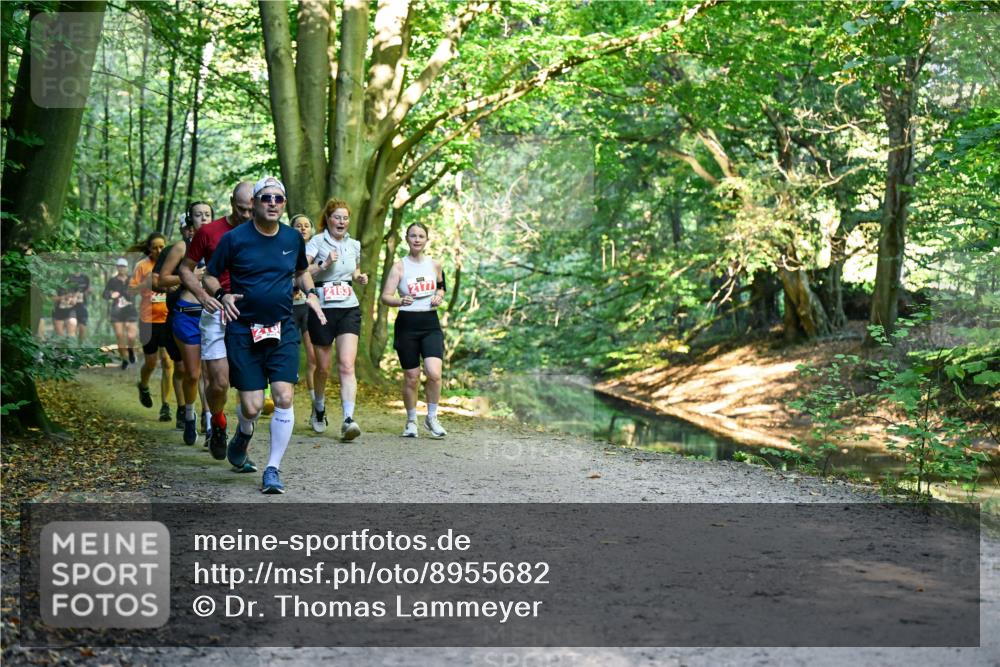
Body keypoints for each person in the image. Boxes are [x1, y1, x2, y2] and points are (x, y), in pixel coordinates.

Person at [203, 176, 325, 494]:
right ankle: (244, 433)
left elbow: (301, 272)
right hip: (243, 329)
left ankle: (272, 469)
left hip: (282, 327)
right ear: (255, 203)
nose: (273, 204)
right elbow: (210, 276)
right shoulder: (235, 239)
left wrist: (311, 294)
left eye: (278, 199)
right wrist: (222, 296)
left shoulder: (292, 238)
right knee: (253, 406)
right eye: (266, 198)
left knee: (284, 397)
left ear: (284, 205)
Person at [180, 182, 254, 459]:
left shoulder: (264, 231)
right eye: (241, 209)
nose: (246, 215)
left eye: (251, 210)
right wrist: (202, 295)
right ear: (231, 202)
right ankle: (218, 422)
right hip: (217, 310)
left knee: (249, 383)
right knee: (219, 383)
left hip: (250, 312)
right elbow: (186, 269)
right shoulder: (209, 232)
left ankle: (243, 438)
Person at [304, 201, 369, 440]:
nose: (342, 222)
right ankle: (319, 407)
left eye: (345, 218)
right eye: (337, 217)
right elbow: (302, 272)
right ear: (328, 219)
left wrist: (359, 277)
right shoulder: (316, 242)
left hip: (348, 307)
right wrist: (324, 264)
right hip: (322, 308)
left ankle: (348, 419)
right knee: (323, 368)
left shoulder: (354, 244)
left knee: (347, 365)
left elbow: (354, 271)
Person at [154, 202, 214, 446]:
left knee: (210, 374)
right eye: (198, 215)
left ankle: (210, 424)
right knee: (192, 373)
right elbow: (161, 280)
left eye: (207, 214)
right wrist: (190, 276)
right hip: (186, 314)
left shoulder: (221, 244)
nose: (203, 218)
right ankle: (189, 414)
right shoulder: (181, 247)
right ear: (191, 220)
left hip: (212, 315)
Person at [380, 222, 448, 438]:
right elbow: (385, 297)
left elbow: (442, 286)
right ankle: (411, 421)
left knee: (434, 373)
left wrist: (439, 296)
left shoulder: (434, 264)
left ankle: (432, 418)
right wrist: (400, 300)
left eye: (421, 236)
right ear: (407, 239)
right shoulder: (399, 267)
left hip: (430, 324)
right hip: (407, 325)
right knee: (411, 376)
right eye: (413, 236)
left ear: (427, 239)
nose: (417, 239)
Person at [128, 232, 177, 422]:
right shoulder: (142, 266)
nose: (159, 250)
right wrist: (145, 283)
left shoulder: (171, 264)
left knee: (167, 361)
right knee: (151, 363)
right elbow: (130, 291)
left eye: (162, 246)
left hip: (167, 318)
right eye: (155, 247)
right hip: (148, 320)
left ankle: (166, 406)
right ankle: (143, 385)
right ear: (149, 249)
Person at [290, 214, 318, 413]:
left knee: (314, 358)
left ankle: (317, 407)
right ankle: (285, 404)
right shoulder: (285, 248)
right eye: (298, 225)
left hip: (310, 307)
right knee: (288, 357)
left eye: (306, 225)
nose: (302, 228)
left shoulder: (319, 250)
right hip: (289, 307)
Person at [103, 257, 138, 369]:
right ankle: (124, 359)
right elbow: (104, 294)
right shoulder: (112, 281)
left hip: (130, 310)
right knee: (119, 336)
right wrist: (110, 295)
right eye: (119, 266)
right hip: (117, 311)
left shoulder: (132, 279)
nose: (121, 268)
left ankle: (131, 350)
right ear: (117, 267)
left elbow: (140, 290)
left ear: (127, 268)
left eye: (123, 266)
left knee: (131, 336)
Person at [68, 272, 91, 344]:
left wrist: (88, 292)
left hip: (82, 306)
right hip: (71, 307)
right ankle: (72, 346)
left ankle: (80, 346)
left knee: (82, 329)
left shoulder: (85, 277)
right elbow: (64, 290)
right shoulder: (69, 276)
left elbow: (88, 289)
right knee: (72, 326)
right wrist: (72, 297)